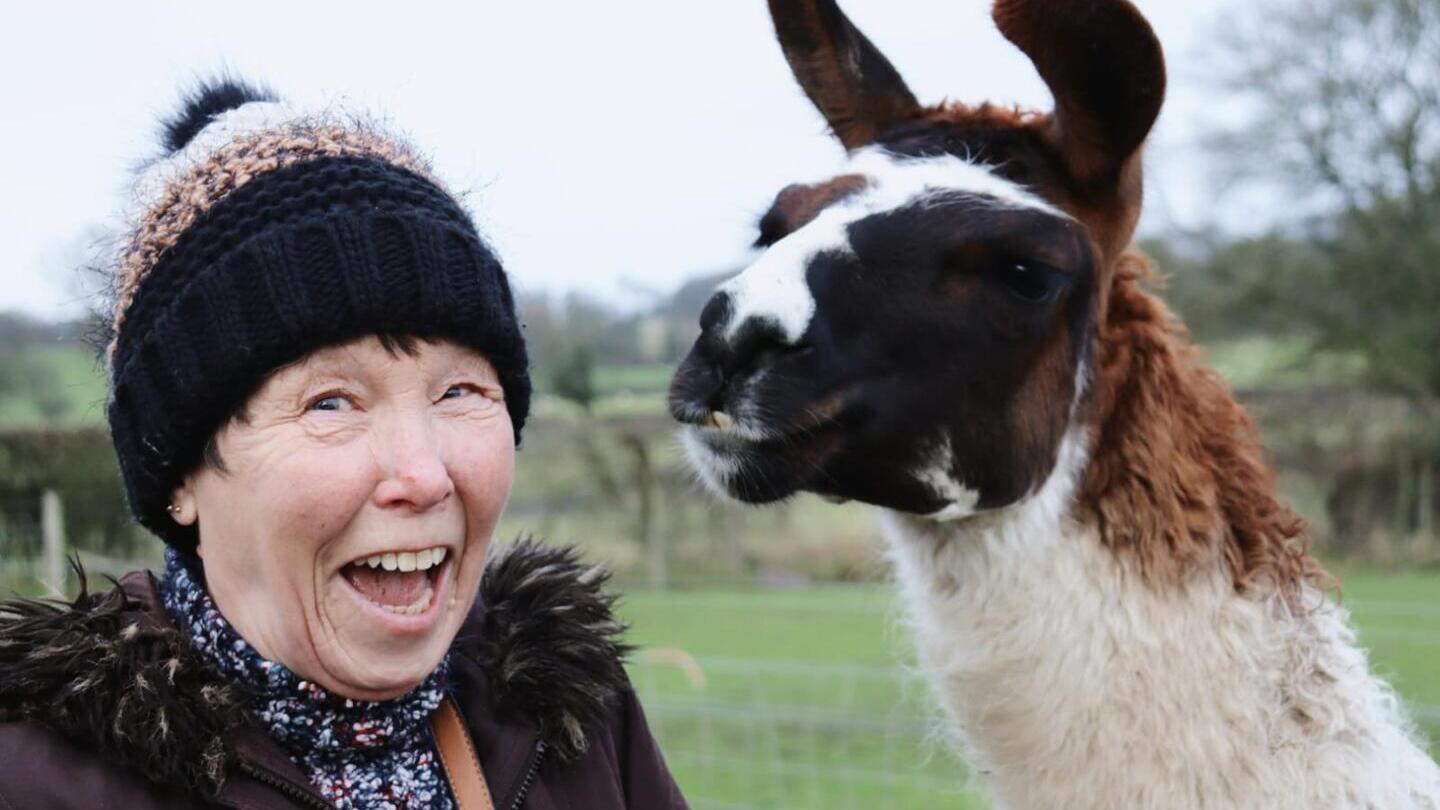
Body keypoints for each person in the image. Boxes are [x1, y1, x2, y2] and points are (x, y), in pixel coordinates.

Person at [0, 78, 689, 810]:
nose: (424, 477)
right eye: (332, 402)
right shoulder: (36, 780)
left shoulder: (573, 719)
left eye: (459, 392)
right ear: (181, 473)